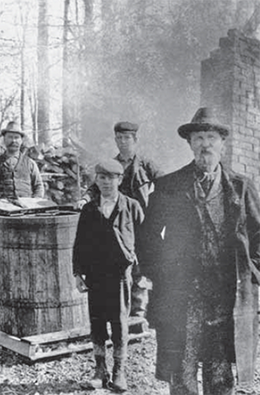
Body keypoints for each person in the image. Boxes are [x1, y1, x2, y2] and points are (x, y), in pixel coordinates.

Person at [138, 107, 260, 395]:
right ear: (190, 143)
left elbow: (259, 234)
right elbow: (147, 237)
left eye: (211, 137)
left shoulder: (241, 188)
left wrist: (253, 271)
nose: (205, 144)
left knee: (220, 370)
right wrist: (159, 274)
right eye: (199, 138)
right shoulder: (169, 186)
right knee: (181, 366)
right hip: (182, 294)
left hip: (226, 294)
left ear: (222, 144)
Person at [73, 159, 144, 393]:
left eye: (111, 178)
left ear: (120, 180)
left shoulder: (131, 206)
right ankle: (100, 369)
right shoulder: (89, 209)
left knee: (119, 321)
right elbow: (80, 243)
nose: (106, 182)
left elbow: (145, 242)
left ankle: (119, 372)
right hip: (95, 273)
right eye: (102, 178)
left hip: (120, 275)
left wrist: (142, 273)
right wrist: (78, 273)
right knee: (97, 321)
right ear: (96, 180)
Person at [78, 121, 160, 319]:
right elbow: (94, 188)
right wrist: (84, 199)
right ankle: (119, 314)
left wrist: (157, 208)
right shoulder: (111, 165)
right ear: (116, 140)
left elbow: (164, 183)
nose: (123, 142)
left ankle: (139, 313)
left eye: (127, 138)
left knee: (139, 263)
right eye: (120, 138)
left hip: (140, 221)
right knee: (118, 266)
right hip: (118, 224)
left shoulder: (145, 164)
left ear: (135, 140)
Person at [0, 121, 44, 201]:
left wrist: (34, 202)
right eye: (10, 137)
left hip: (25, 208)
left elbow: (39, 186)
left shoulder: (30, 163)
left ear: (21, 140)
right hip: (1, 207)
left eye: (16, 137)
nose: (13, 141)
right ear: (4, 139)